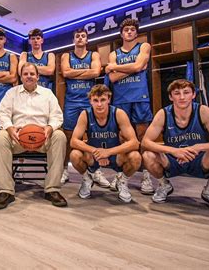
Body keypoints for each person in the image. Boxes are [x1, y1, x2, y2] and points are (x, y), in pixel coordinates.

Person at [141, 79, 209, 213]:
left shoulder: (203, 111)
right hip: (173, 159)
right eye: (177, 93)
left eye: (186, 92)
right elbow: (145, 142)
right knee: (148, 155)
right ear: (170, 97)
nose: (182, 97)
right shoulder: (163, 114)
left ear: (193, 95)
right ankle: (164, 185)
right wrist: (174, 150)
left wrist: (198, 147)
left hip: (199, 159)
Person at [0, 62, 67, 209]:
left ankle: (52, 189)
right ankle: (6, 191)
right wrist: (9, 128)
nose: (29, 76)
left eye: (32, 74)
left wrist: (50, 127)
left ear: (38, 76)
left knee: (60, 136)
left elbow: (57, 116)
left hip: (43, 137)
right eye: (25, 74)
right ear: (21, 77)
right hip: (18, 138)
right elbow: (3, 114)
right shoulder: (11, 93)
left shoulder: (47, 94)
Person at [104, 18, 154, 195]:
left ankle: (146, 175)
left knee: (143, 136)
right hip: (121, 98)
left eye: (132, 29)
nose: (129, 32)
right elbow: (112, 78)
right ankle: (121, 174)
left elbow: (139, 65)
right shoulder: (114, 53)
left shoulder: (144, 46)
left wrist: (116, 68)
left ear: (136, 32)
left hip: (140, 96)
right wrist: (133, 68)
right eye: (126, 30)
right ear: (121, 33)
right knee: (123, 138)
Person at [70, 85, 141, 202]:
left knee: (135, 156)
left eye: (102, 100)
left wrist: (108, 152)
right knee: (74, 155)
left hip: (115, 155)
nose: (99, 104)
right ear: (90, 101)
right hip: (94, 156)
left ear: (109, 99)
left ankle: (122, 180)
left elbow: (134, 143)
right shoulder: (85, 114)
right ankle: (87, 178)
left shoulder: (119, 113)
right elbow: (74, 141)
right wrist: (96, 151)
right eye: (95, 100)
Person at [60, 28, 104, 186]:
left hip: (89, 101)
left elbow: (96, 71)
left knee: (95, 135)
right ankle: (64, 169)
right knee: (68, 137)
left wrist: (75, 72)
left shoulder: (94, 55)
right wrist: (87, 72)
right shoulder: (67, 55)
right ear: (74, 40)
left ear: (87, 40)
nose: (80, 38)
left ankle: (96, 169)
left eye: (83, 36)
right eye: (77, 36)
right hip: (71, 101)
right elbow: (65, 73)